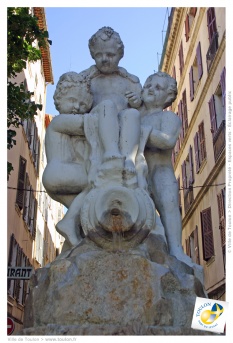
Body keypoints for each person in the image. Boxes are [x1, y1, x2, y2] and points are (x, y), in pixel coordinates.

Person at [141, 71, 194, 266]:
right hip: (140, 172)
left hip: (161, 171)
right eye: (148, 84)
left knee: (169, 206)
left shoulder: (169, 117)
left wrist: (144, 131)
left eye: (158, 88)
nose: (150, 90)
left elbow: (168, 140)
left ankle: (176, 249)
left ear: (168, 97)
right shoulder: (135, 115)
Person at [80, 26, 142, 173]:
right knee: (107, 106)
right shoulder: (86, 78)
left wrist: (136, 102)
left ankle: (128, 161)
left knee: (132, 114)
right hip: (97, 120)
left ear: (120, 55)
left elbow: (141, 108)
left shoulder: (129, 80)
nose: (104, 59)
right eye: (98, 55)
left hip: (123, 123)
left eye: (110, 54)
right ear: (92, 55)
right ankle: (111, 154)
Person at [42, 72, 93, 246]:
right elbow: (91, 124)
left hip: (59, 177)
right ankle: (69, 222)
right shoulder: (59, 122)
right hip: (60, 172)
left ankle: (75, 235)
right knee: (97, 180)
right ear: (59, 99)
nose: (77, 107)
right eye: (72, 101)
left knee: (87, 205)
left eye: (82, 104)